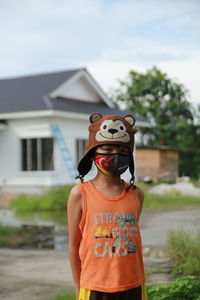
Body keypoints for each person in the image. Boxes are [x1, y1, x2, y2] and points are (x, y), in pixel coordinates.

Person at [67, 113, 148, 300]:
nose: (115, 154)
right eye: (107, 148)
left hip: (133, 286)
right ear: (93, 151)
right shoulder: (79, 194)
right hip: (94, 288)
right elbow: (73, 247)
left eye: (122, 149)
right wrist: (78, 289)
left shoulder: (137, 194)